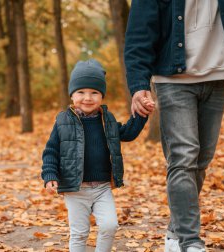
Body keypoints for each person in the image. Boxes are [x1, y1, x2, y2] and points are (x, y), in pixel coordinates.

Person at [124, 1, 224, 252]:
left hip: (218, 75)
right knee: (183, 156)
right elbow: (139, 32)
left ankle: (175, 233)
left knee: (201, 161)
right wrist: (138, 84)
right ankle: (190, 242)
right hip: (173, 79)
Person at [41, 59, 149, 252]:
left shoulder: (107, 120)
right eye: (81, 92)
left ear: (102, 96)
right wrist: (49, 175)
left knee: (110, 225)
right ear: (72, 95)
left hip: (102, 188)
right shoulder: (63, 121)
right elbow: (51, 151)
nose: (87, 98)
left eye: (94, 92)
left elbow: (128, 133)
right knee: (80, 232)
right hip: (75, 189)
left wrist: (141, 115)